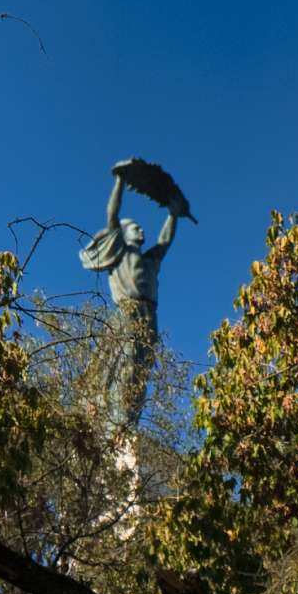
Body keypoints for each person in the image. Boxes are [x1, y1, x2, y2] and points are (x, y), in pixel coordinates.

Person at [80, 165, 182, 429]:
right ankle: (118, 420)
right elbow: (112, 214)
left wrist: (173, 215)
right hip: (128, 311)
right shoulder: (121, 252)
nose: (141, 231)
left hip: (150, 316)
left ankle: (129, 419)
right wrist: (120, 182)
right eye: (135, 227)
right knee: (126, 364)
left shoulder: (149, 260)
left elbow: (164, 242)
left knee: (141, 367)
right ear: (123, 235)